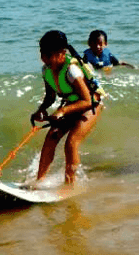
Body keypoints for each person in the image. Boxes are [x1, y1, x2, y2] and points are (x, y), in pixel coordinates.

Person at [31, 30, 104, 186]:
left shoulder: (72, 70)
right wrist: (41, 110)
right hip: (73, 104)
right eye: (42, 53)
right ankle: (39, 182)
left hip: (92, 104)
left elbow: (87, 100)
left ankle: (69, 185)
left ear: (62, 53)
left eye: (48, 55)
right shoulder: (47, 70)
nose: (44, 59)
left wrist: (62, 111)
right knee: (51, 137)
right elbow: (50, 97)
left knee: (71, 142)